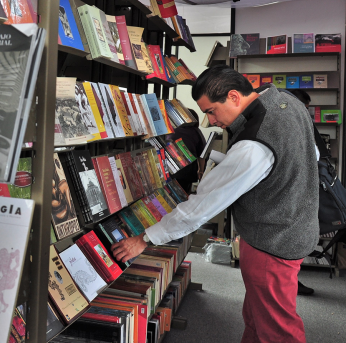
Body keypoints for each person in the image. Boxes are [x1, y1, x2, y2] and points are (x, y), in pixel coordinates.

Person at [111, 65, 319, 343]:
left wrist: (146, 238)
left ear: (234, 96)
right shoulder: (286, 102)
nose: (209, 121)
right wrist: (229, 165)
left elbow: (203, 206)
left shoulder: (254, 142)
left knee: (278, 328)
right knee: (258, 316)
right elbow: (308, 154)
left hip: (272, 242)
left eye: (211, 111)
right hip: (295, 226)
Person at [287, 88, 329, 296]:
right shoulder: (294, 123)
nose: (307, 113)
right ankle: (291, 281)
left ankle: (292, 281)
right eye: (305, 108)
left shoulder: (298, 124)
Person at [168, 108, 206, 193]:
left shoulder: (172, 131)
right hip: (187, 171)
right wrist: (201, 171)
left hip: (170, 169)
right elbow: (202, 154)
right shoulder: (196, 132)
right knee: (184, 193)